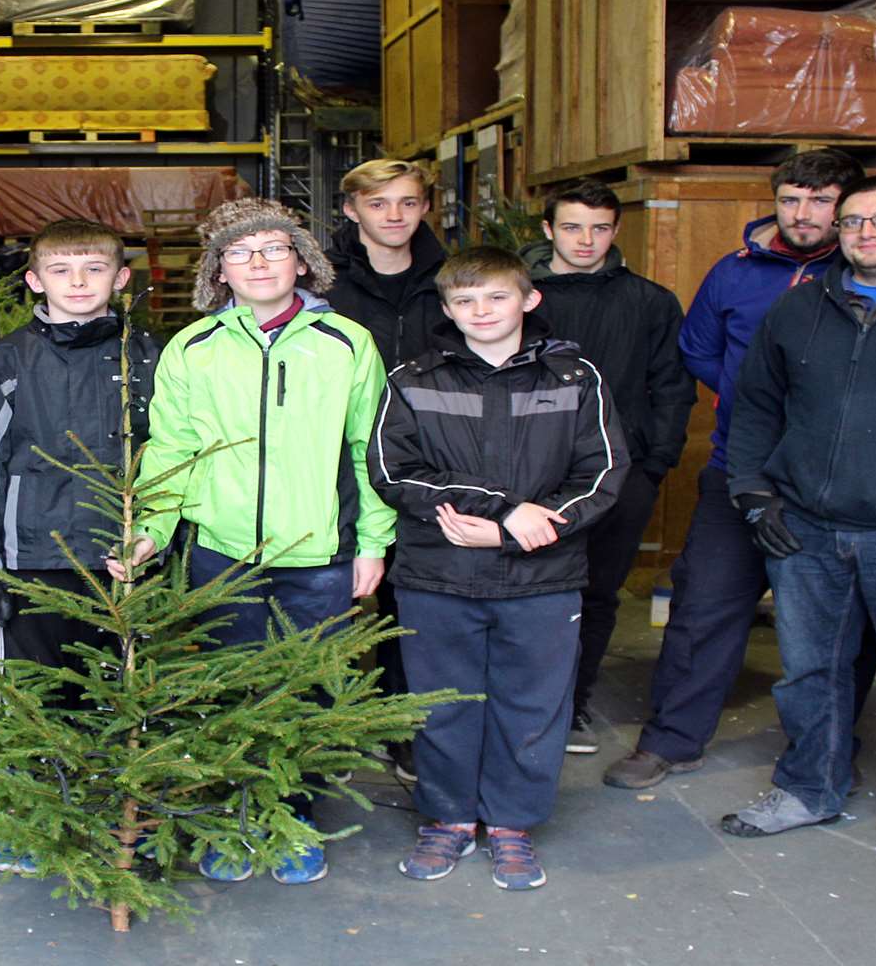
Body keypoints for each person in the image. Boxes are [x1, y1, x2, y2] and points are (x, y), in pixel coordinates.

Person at [109, 198, 394, 886]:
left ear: (302, 260)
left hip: (317, 554)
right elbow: (171, 448)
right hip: (220, 553)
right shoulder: (194, 348)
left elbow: (371, 449)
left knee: (309, 695)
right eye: (241, 252)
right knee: (223, 691)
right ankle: (232, 823)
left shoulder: (347, 344)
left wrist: (372, 542)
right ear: (219, 270)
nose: (259, 262)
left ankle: (292, 820)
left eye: (274, 248)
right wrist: (152, 530)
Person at [720, 176, 876, 878]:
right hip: (805, 530)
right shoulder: (800, 309)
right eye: (854, 220)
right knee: (808, 672)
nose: (867, 232)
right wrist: (752, 490)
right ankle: (809, 790)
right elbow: (755, 408)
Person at [605, 149, 876, 790]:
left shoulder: (869, 276)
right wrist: (748, 395)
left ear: (845, 208)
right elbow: (699, 351)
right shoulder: (735, 273)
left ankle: (831, 745)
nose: (803, 213)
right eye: (791, 199)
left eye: (820, 201)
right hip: (738, 470)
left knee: (846, 620)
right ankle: (672, 740)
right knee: (704, 606)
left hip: (836, 486)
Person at [369, 247, 626, 891]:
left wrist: (519, 533)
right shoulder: (414, 378)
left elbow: (600, 473)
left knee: (531, 704)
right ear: (448, 309)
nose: (480, 311)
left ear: (529, 299)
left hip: (544, 576)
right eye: (464, 301)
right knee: (441, 704)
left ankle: (512, 824)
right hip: (437, 575)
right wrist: (506, 513)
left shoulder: (573, 378)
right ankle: (449, 819)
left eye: (496, 297)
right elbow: (395, 471)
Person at [0, 218, 158, 874]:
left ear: (121, 278)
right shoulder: (8, 359)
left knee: (121, 694)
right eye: (61, 271)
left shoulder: (148, 355)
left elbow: (172, 453)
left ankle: (121, 818)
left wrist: (156, 536)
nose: (78, 283)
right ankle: (37, 816)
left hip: (124, 560)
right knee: (38, 697)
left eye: (94, 269)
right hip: (35, 562)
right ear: (35, 279)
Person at [523, 179, 696, 754]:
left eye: (600, 228)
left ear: (616, 232)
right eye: (572, 227)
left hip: (621, 475)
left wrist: (653, 464)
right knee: (529, 592)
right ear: (547, 230)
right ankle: (526, 707)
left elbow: (672, 386)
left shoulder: (649, 302)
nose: (586, 240)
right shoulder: (518, 296)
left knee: (597, 593)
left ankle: (573, 705)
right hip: (530, 473)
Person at [320, 158, 449, 781]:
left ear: (425, 207)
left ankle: (403, 725)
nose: (394, 216)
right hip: (336, 461)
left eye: (407, 202)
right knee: (335, 595)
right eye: (378, 204)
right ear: (351, 210)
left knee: (412, 599)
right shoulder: (322, 284)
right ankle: (335, 723)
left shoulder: (448, 279)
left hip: (429, 460)